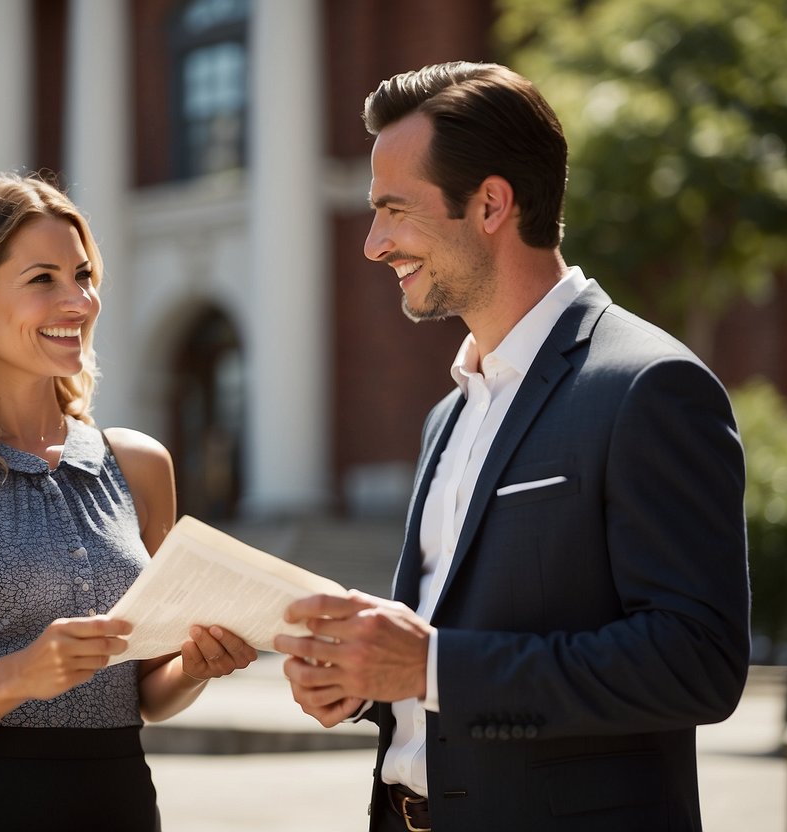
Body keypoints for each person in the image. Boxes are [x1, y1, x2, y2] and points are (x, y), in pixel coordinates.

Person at [274, 62, 750, 832]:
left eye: (393, 210)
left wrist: (430, 667)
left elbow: (695, 662)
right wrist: (368, 682)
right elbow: (448, 640)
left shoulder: (648, 386)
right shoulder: (446, 414)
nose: (372, 244)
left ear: (490, 203)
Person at [0, 173, 257, 832]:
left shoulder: (139, 464)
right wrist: (20, 675)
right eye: (42, 280)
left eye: (83, 276)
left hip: (122, 807)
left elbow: (146, 692)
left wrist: (194, 667)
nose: (79, 302)